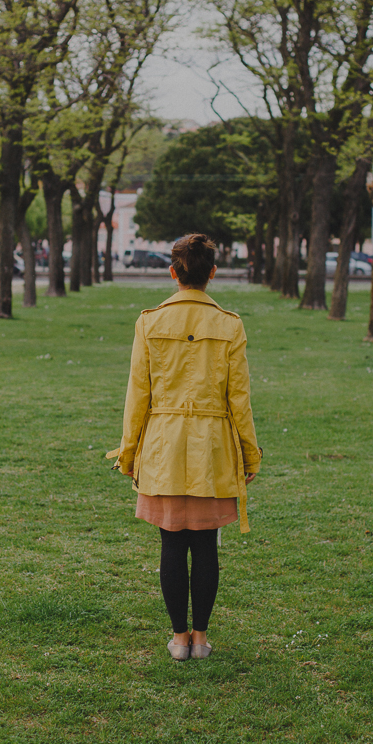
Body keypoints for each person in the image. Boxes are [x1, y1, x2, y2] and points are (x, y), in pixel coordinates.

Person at [107, 233, 261, 660]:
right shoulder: (229, 324)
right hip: (213, 449)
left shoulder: (149, 321)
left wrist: (129, 452)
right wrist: (250, 453)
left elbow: (137, 395)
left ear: (173, 273)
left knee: (171, 544)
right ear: (212, 273)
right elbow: (239, 400)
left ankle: (178, 639)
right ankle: (201, 638)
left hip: (163, 446)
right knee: (206, 545)